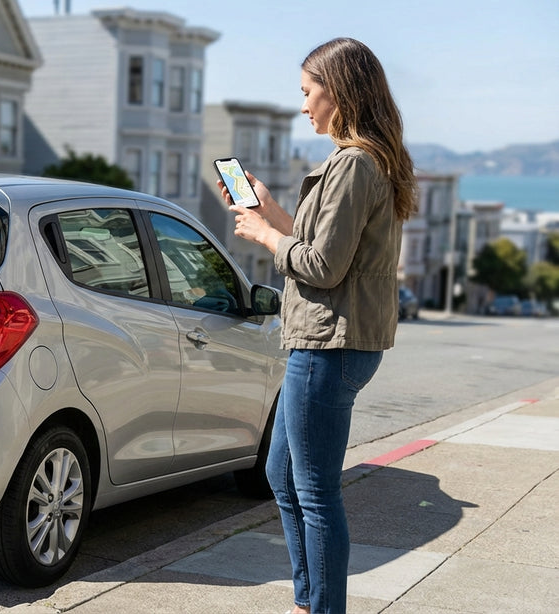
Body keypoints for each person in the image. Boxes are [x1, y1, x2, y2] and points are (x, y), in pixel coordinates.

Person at [219, 38, 417, 613]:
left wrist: (264, 237)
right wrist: (272, 211)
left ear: (340, 91)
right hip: (328, 341)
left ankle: (323, 606)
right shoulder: (360, 161)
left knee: (315, 492)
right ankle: (310, 599)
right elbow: (327, 247)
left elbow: (322, 267)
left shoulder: (355, 163)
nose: (303, 104)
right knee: (282, 475)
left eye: (308, 92)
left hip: (329, 344)